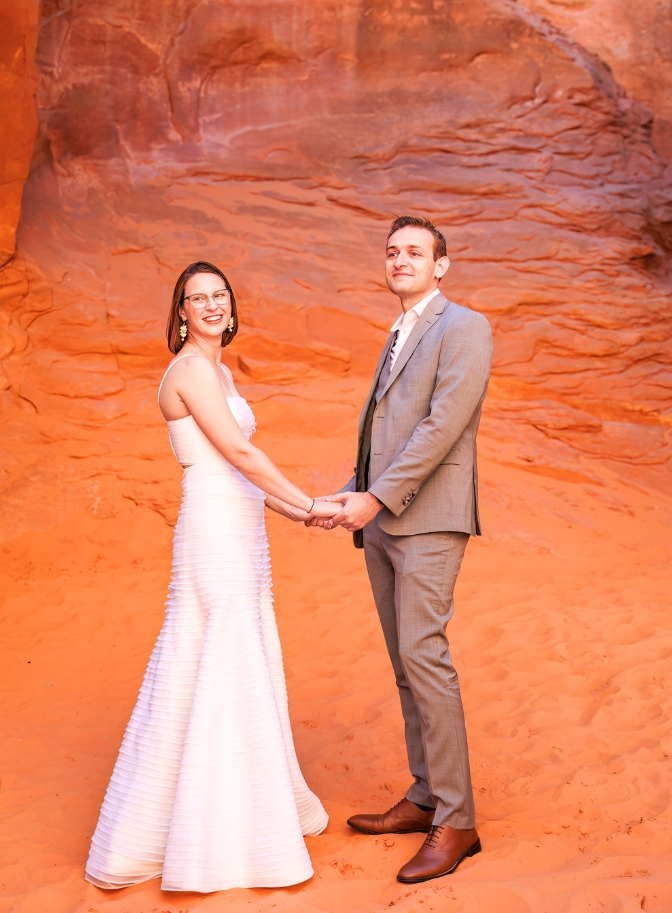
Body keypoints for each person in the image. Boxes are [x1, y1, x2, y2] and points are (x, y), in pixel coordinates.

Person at [85, 261, 341, 893]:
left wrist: (296, 514)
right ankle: (216, 837)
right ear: (180, 313)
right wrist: (309, 503)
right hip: (213, 536)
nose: (210, 305)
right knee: (218, 659)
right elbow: (239, 455)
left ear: (231, 305)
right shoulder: (192, 370)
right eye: (196, 298)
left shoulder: (219, 369)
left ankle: (244, 810)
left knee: (229, 658)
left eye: (219, 295)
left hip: (241, 530)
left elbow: (243, 477)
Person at [309, 216, 492, 884]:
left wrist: (376, 498)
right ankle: (425, 795)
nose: (401, 260)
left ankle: (459, 817)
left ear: (442, 265)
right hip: (383, 520)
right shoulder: (397, 330)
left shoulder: (464, 326)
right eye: (392, 252)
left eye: (416, 252)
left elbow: (442, 426)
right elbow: (384, 433)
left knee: (426, 657)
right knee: (404, 663)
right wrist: (350, 492)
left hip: (428, 520)